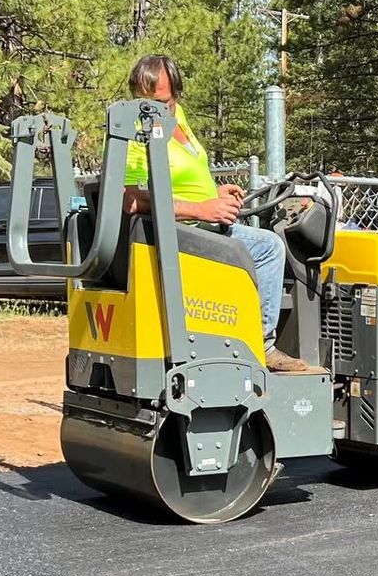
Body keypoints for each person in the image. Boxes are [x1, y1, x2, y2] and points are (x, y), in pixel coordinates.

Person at [120, 54, 312, 373]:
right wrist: (201, 208)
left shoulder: (177, 117)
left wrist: (215, 196)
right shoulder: (135, 133)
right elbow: (129, 200)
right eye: (146, 102)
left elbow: (179, 176)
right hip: (177, 235)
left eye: (161, 102)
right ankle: (261, 344)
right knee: (268, 248)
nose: (152, 110)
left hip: (202, 225)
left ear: (176, 95)